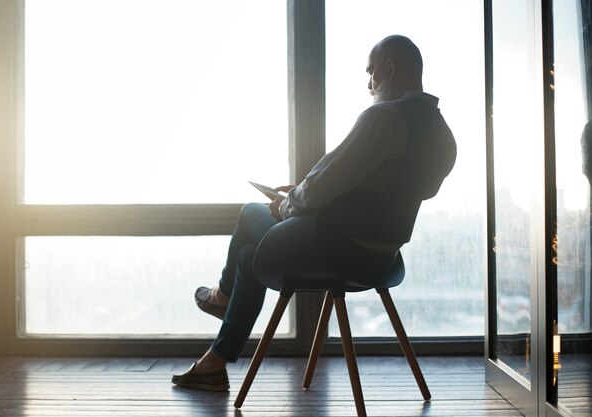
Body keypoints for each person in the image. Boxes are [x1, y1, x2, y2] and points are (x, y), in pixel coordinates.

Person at [171, 34, 457, 391]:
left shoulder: (384, 117)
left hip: (335, 248)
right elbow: (390, 192)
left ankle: (222, 295)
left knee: (249, 212)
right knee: (248, 257)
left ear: (390, 68)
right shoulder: (442, 134)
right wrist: (306, 195)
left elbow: (325, 180)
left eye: (371, 73)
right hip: (382, 257)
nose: (369, 84)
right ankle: (213, 364)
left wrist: (288, 204)